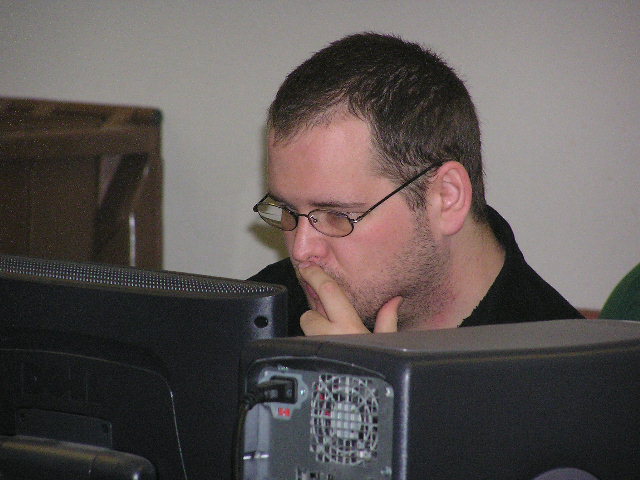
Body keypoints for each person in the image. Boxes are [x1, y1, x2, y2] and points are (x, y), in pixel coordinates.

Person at [249, 32, 582, 337]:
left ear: (446, 198)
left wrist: (361, 378)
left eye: (337, 216)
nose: (301, 251)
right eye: (288, 210)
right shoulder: (260, 314)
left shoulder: (565, 366)